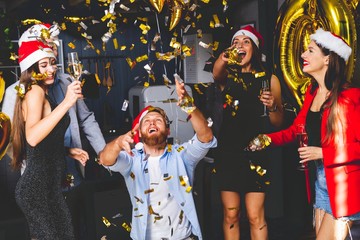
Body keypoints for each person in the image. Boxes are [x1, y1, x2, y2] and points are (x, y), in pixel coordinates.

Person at [247, 28, 360, 239]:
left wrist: (324, 153)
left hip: (345, 187)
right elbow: (295, 131)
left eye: (310, 50)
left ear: (327, 59)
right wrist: (266, 139)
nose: (302, 55)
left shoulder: (350, 96)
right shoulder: (313, 93)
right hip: (320, 181)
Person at [2, 23, 106, 239]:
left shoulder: (64, 82)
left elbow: (82, 120)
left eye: (52, 57)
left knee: (71, 230)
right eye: (44, 62)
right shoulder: (25, 92)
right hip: (40, 182)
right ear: (31, 64)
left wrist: (69, 151)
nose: (51, 66)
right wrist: (67, 102)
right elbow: (25, 138)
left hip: (65, 174)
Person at [98, 79, 217, 240]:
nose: (152, 122)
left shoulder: (181, 156)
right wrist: (118, 142)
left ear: (168, 131)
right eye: (146, 121)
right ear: (139, 131)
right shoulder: (132, 160)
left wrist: (189, 106)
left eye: (158, 120)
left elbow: (206, 137)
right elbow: (105, 159)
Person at [212, 25, 284, 239]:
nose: (240, 45)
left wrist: (272, 106)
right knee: (231, 216)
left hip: (256, 152)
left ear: (254, 47)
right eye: (236, 42)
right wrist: (227, 55)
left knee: (255, 216)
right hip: (228, 152)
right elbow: (216, 72)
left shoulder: (269, 79)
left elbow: (278, 123)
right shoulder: (228, 75)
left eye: (246, 42)